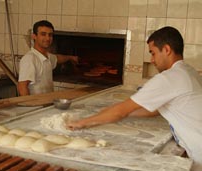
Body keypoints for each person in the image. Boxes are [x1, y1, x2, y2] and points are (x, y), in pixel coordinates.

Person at [66, 26, 202, 171]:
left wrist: (82, 123)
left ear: (167, 50)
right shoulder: (188, 71)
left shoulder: (169, 78)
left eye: (153, 53)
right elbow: (155, 110)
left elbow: (121, 111)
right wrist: (112, 112)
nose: (152, 60)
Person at [18, 20, 78, 96]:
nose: (47, 38)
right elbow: (22, 87)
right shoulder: (29, 59)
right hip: (37, 106)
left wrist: (71, 58)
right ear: (34, 36)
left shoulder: (47, 56)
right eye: (43, 34)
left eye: (50, 35)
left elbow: (58, 58)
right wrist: (30, 107)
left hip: (47, 104)